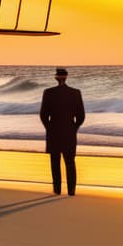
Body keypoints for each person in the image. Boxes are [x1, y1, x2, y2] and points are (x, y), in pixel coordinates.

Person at [39, 67, 85, 196]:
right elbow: (81, 116)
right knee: (70, 162)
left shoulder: (48, 92)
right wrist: (74, 128)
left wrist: (49, 127)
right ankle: (71, 191)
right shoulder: (75, 93)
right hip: (69, 132)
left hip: (53, 131)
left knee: (55, 162)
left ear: (55, 77)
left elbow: (43, 115)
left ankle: (57, 190)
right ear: (66, 77)